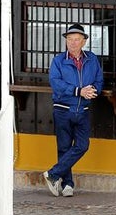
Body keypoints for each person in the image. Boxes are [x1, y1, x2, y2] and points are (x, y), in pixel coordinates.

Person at [43, 22, 103, 197]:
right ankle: (67, 184)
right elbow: (56, 83)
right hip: (63, 109)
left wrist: (93, 90)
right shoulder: (58, 60)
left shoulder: (92, 59)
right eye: (69, 39)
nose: (73, 43)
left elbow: (99, 80)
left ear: (84, 41)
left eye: (76, 39)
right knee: (64, 147)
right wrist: (78, 91)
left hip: (83, 109)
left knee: (82, 145)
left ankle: (53, 174)